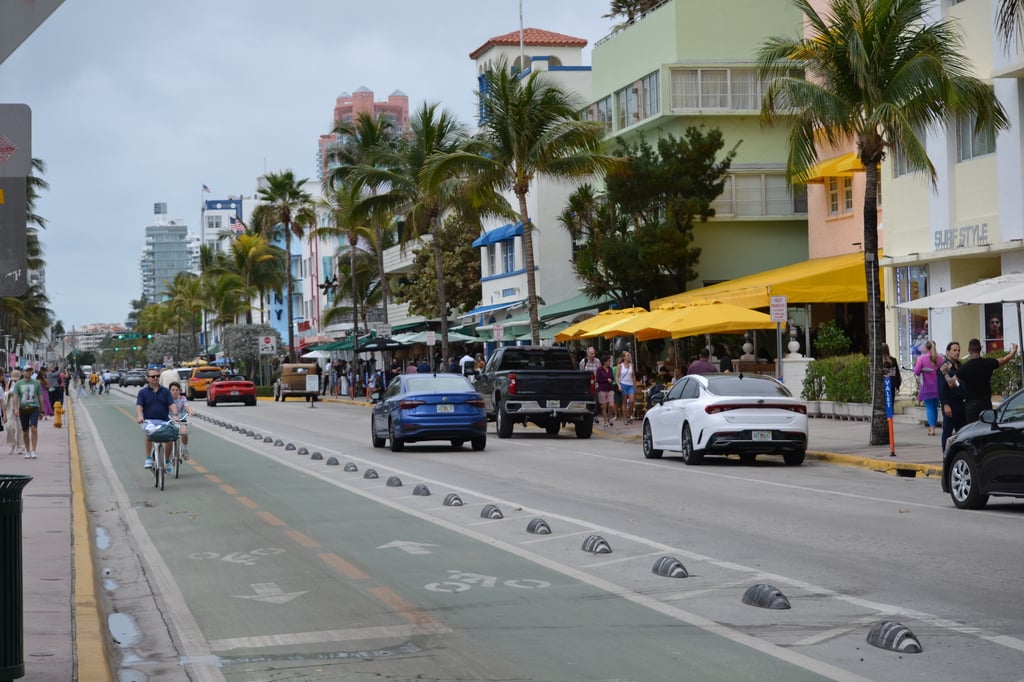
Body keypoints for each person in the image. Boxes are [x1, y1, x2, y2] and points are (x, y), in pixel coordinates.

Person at [957, 337, 1018, 423]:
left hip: (971, 404)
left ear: (969, 350)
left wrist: (945, 373)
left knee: (972, 428)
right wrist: (1013, 351)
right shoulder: (989, 363)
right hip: (985, 402)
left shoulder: (964, 368)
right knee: (987, 426)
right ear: (981, 348)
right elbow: (1004, 359)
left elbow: (953, 382)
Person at [136, 368, 178, 470]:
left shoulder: (165, 391)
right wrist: (140, 416)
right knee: (149, 435)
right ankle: (148, 458)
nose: (155, 378)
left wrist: (175, 414)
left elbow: (171, 404)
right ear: (147, 378)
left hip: (164, 420)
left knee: (170, 437)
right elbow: (139, 406)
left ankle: (167, 461)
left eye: (157, 376)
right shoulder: (142, 392)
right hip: (149, 421)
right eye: (153, 376)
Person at [938, 341, 967, 452]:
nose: (957, 352)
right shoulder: (944, 367)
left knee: (963, 432)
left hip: (962, 403)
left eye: (958, 350)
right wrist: (945, 404)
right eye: (954, 350)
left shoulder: (961, 366)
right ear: (948, 352)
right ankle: (945, 454)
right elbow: (941, 388)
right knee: (947, 432)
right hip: (950, 404)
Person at [913, 340, 942, 436]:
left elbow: (916, 372)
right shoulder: (940, 358)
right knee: (935, 407)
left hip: (926, 386)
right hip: (938, 386)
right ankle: (933, 427)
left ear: (926, 348)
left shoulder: (922, 358)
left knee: (929, 407)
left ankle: (932, 428)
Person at [13, 367, 42, 459]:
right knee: (25, 431)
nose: (29, 372)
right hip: (23, 409)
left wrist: (42, 410)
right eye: (27, 371)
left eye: (30, 371)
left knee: (34, 428)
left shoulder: (36, 383)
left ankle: (33, 450)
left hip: (34, 408)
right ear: (23, 372)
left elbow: (40, 396)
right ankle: (28, 451)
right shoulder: (18, 384)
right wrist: (16, 409)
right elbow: (15, 397)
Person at [167, 381, 196, 460]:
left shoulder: (182, 398)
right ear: (169, 391)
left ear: (180, 391)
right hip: (169, 419)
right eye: (173, 390)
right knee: (168, 436)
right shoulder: (167, 399)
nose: (175, 392)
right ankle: (169, 452)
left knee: (184, 432)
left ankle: (184, 449)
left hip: (181, 419)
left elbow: (187, 406)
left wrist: (191, 411)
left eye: (177, 390)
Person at [616, 350, 637, 425]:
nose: (629, 357)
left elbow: (633, 376)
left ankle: (629, 415)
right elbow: (617, 377)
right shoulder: (620, 366)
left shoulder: (631, 365)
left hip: (630, 385)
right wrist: (619, 385)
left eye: (629, 355)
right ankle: (625, 418)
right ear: (623, 357)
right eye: (627, 355)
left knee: (632, 401)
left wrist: (635, 385)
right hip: (623, 384)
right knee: (624, 402)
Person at [595, 355, 616, 427]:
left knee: (611, 405)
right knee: (604, 406)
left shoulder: (610, 369)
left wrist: (611, 379)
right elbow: (598, 379)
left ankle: (609, 417)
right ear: (604, 362)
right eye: (609, 361)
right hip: (602, 389)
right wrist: (606, 380)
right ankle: (605, 422)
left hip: (610, 389)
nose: (610, 362)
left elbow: (612, 377)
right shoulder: (599, 369)